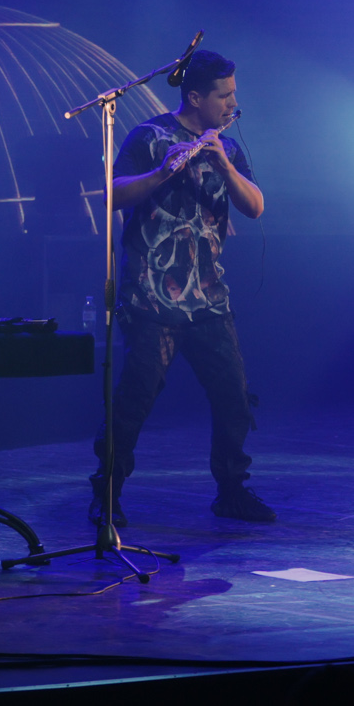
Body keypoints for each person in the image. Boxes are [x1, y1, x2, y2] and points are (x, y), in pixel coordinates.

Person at [91, 48, 271, 525]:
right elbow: (111, 196)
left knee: (234, 397)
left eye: (233, 94)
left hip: (208, 297)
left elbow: (255, 207)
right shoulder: (148, 137)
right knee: (135, 399)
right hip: (151, 296)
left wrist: (224, 165)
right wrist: (161, 172)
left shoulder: (228, 148)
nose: (233, 104)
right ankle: (107, 493)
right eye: (223, 96)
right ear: (194, 97)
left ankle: (231, 491)